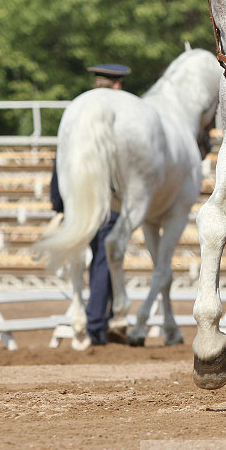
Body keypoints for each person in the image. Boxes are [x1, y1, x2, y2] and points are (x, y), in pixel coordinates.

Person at [50, 63, 131, 346]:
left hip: (74, 200)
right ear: (117, 86)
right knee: (103, 260)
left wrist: (59, 204)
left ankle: (88, 319)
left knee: (85, 257)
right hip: (106, 201)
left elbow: (59, 159)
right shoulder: (113, 115)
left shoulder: (77, 109)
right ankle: (96, 325)